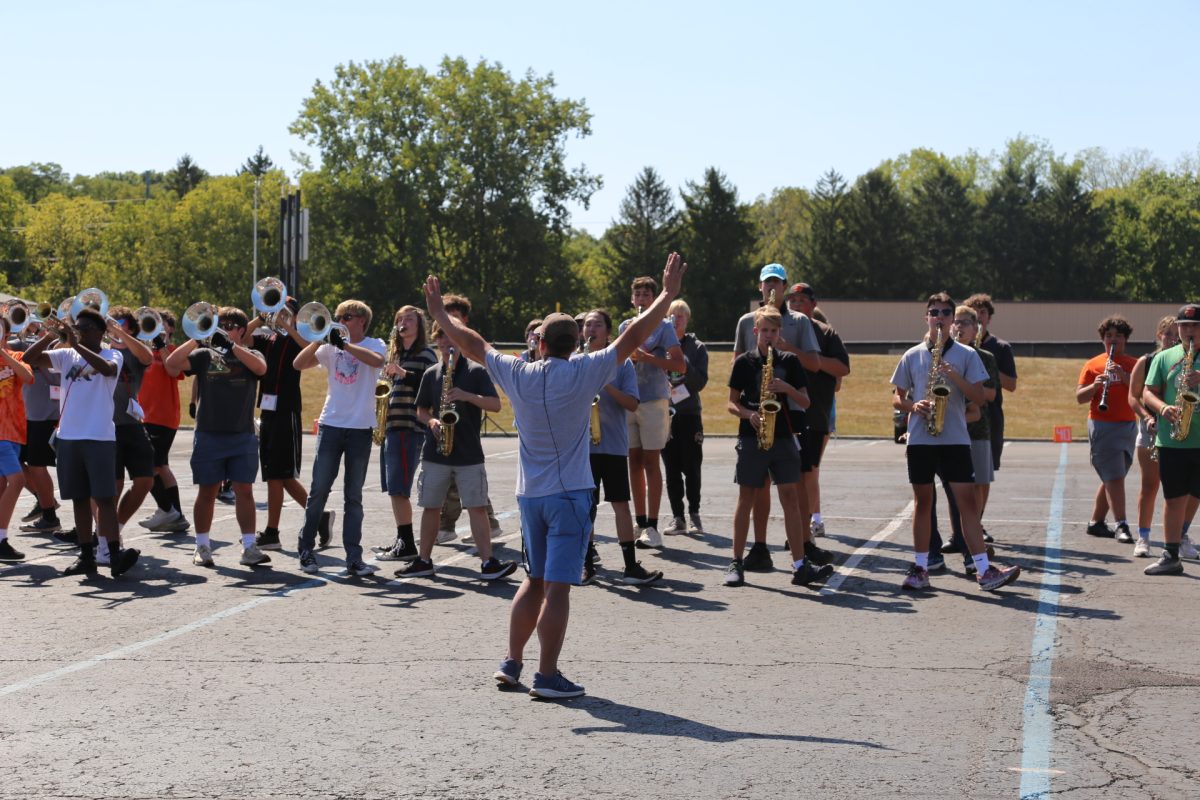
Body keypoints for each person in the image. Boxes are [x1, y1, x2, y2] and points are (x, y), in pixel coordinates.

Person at [426, 253, 686, 700]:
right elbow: (635, 335)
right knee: (559, 588)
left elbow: (473, 344)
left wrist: (438, 315)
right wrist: (667, 294)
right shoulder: (587, 370)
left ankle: (512, 663)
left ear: (540, 343)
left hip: (531, 496)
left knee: (534, 580)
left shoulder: (518, 372)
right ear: (574, 343)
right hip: (570, 495)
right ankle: (546, 676)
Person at [890, 293, 1021, 592]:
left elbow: (979, 396)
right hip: (922, 439)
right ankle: (921, 567)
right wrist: (913, 407)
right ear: (926, 317)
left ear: (951, 319)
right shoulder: (912, 355)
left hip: (955, 439)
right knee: (923, 502)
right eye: (933, 312)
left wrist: (954, 376)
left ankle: (984, 571)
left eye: (945, 313)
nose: (939, 317)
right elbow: (897, 397)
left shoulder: (966, 354)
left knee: (967, 505)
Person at [393, 322, 517, 581]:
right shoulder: (431, 373)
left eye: (453, 340)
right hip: (436, 452)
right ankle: (424, 560)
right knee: (431, 507)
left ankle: (488, 562)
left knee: (477, 507)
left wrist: (466, 395)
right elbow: (421, 410)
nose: (448, 344)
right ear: (437, 342)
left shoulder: (476, 372)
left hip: (468, 452)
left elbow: (495, 405)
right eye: (443, 339)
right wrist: (432, 421)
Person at [23, 309, 140, 577]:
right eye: (78, 327)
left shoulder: (113, 354)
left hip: (99, 436)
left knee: (105, 498)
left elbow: (107, 370)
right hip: (69, 437)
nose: (80, 331)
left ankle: (112, 553)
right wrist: (50, 335)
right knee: (79, 498)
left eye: (86, 328)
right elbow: (30, 359)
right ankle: (86, 555)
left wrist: (75, 344)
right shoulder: (66, 355)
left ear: (100, 332)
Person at [724, 305, 833, 588]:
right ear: (756, 331)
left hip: (785, 436)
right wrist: (749, 415)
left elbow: (807, 402)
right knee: (746, 498)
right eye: (765, 331)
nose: (769, 336)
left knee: (791, 500)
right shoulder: (744, 362)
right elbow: (731, 402)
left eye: (774, 331)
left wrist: (787, 389)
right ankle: (736, 562)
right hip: (752, 437)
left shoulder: (790, 361)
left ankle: (800, 565)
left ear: (780, 333)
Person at [165, 306, 270, 569]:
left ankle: (249, 547)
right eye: (219, 324)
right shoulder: (203, 355)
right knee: (207, 492)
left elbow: (261, 368)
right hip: (209, 433)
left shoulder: (251, 353)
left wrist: (232, 347)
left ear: (242, 330)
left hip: (241, 434)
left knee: (244, 490)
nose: (223, 328)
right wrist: (197, 338)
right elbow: (171, 365)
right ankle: (202, 546)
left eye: (230, 325)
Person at [293, 300, 387, 576]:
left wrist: (344, 345)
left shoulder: (374, 343)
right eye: (338, 317)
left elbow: (378, 362)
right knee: (319, 490)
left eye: (347, 317)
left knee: (353, 496)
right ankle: (306, 549)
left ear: (361, 321)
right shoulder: (329, 346)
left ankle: (354, 557)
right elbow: (298, 363)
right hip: (331, 425)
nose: (341, 320)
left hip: (360, 427)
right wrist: (318, 338)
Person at [578, 309, 662, 585]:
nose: (591, 329)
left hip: (612, 445)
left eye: (597, 324)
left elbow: (633, 404)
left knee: (620, 505)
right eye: (587, 324)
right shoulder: (576, 362)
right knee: (585, 507)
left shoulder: (621, 364)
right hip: (583, 448)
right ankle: (587, 564)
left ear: (608, 333)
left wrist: (606, 385)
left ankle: (629, 566)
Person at [246, 299, 323, 552]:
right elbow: (242, 339)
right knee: (276, 474)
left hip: (287, 410)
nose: (279, 315)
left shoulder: (298, 339)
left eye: (285, 312)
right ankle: (318, 518)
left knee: (281, 475)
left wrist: (289, 327)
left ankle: (272, 531)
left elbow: (313, 349)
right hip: (267, 410)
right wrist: (261, 318)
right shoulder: (266, 339)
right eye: (277, 311)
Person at [619, 276, 685, 549]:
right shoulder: (626, 326)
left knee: (650, 462)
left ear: (655, 298)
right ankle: (640, 518)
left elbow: (679, 365)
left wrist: (648, 358)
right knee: (633, 462)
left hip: (654, 399)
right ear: (632, 299)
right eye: (638, 295)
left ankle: (654, 526)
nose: (642, 299)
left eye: (647, 294)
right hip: (630, 400)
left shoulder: (664, 326)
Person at [933, 306, 999, 574]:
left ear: (977, 328)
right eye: (955, 322)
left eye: (964, 323)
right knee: (952, 491)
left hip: (977, 430)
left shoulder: (983, 356)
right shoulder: (940, 354)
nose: (958, 327)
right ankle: (957, 536)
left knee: (977, 487)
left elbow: (989, 395)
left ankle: (975, 534)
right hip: (947, 433)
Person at [435, 293, 504, 543]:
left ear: (464, 319)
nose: (447, 324)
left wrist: (466, 395)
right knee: (454, 475)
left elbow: (492, 398)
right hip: (449, 419)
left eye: (452, 318)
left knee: (465, 476)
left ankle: (457, 525)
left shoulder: (471, 347)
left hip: (467, 420)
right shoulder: (444, 345)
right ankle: (449, 526)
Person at [1127, 316, 1198, 558]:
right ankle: (1167, 552)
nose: (1189, 330)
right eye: (1185, 326)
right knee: (1173, 495)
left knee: (1195, 494)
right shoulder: (1163, 357)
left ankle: (1181, 535)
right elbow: (1145, 392)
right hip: (1171, 438)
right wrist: (1162, 408)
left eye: (1196, 325)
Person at [784, 283, 850, 539]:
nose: (796, 305)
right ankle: (796, 526)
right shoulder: (781, 329)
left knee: (808, 470)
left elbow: (843, 368)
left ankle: (809, 523)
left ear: (813, 305)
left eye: (801, 300)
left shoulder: (825, 333)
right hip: (782, 412)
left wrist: (805, 357)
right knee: (787, 473)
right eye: (793, 300)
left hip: (813, 413)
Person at [374, 305, 438, 562]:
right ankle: (402, 539)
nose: (403, 323)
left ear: (419, 325)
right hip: (391, 426)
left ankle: (407, 543)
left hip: (409, 427)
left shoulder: (426, 353)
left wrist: (403, 374)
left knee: (400, 489)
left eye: (409, 319)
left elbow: (432, 384)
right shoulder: (395, 354)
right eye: (399, 319)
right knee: (394, 489)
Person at [99, 307, 157, 565]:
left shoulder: (134, 352)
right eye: (111, 321)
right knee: (112, 487)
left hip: (132, 425)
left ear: (130, 328)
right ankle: (104, 542)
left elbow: (147, 357)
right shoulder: (100, 350)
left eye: (121, 322)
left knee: (145, 481)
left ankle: (116, 528)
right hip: (105, 426)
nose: (113, 325)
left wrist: (119, 332)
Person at [1077, 315, 1139, 542]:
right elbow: (1079, 397)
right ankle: (1121, 523)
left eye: (1118, 336)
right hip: (1102, 424)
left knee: (1114, 475)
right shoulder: (1093, 364)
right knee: (1114, 476)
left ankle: (1096, 522)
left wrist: (1125, 378)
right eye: (1108, 336)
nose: (1113, 341)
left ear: (1126, 339)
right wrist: (1095, 386)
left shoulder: (1134, 364)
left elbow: (1142, 392)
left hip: (1128, 424)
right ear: (1102, 339)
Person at [136, 309, 191, 534]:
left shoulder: (172, 351)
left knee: (149, 466)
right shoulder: (144, 350)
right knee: (161, 466)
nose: (159, 327)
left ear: (171, 329)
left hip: (163, 415)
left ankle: (166, 508)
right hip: (143, 415)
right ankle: (175, 515)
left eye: (164, 324)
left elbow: (172, 369)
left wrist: (161, 345)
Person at [660, 300, 708, 536]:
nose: (675, 320)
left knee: (692, 467)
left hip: (689, 413)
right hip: (666, 414)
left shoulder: (697, 347)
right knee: (671, 468)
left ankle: (694, 515)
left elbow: (700, 382)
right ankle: (677, 516)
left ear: (687, 320)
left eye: (680, 316)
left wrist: (682, 360)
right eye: (671, 316)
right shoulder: (659, 344)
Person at [13, 318, 62, 535]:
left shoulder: (57, 348)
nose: (36, 331)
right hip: (28, 416)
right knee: (15, 462)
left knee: (37, 465)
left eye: (39, 327)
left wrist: (47, 337)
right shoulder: (22, 344)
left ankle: (50, 515)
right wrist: (19, 331)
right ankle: (44, 501)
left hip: (45, 416)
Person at [965, 294, 1017, 480]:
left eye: (983, 312)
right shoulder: (960, 346)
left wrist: (985, 366)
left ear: (989, 317)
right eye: (974, 313)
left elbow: (1011, 385)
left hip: (991, 417)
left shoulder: (1001, 347)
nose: (978, 317)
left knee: (984, 476)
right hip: (964, 415)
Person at [0, 311, 34, 562]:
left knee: (3, 486)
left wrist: (2, 353)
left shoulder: (17, 357)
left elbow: (28, 377)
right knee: (17, 480)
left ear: (7, 335)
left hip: (15, 432)